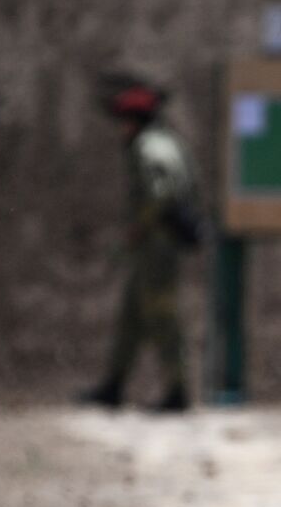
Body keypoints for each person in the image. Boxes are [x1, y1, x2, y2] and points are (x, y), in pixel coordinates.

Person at [80, 81, 200, 411]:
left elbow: (159, 194)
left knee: (162, 319)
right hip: (159, 245)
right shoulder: (170, 142)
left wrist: (140, 226)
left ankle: (177, 392)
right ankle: (114, 386)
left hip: (157, 247)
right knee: (131, 318)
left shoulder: (146, 147)